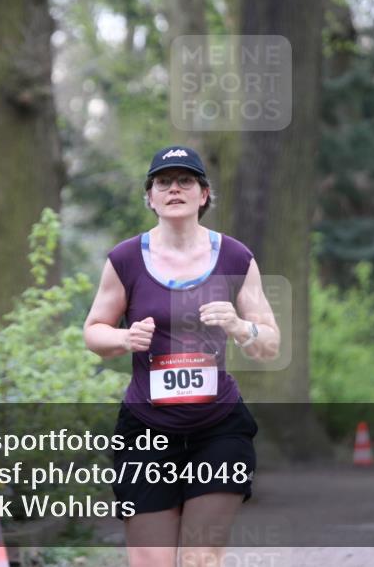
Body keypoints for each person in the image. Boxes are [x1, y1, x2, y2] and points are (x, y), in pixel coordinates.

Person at [84, 145, 280, 567]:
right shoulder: (124, 259)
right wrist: (124, 339)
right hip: (147, 430)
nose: (174, 189)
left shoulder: (235, 257)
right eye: (163, 182)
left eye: (185, 180)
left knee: (199, 559)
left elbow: (269, 343)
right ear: (150, 197)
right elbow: (93, 331)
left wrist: (238, 326)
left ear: (204, 194)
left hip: (218, 429)